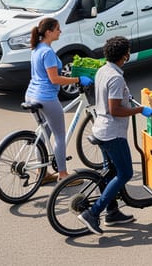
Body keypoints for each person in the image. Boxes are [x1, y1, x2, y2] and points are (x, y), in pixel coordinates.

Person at [78, 36, 152, 235]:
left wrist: (130, 101)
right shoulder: (116, 77)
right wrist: (139, 111)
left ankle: (112, 212)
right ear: (124, 55)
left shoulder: (104, 70)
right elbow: (115, 109)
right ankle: (93, 213)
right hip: (112, 133)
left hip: (101, 129)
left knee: (110, 172)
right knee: (125, 173)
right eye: (127, 51)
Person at [24, 17, 94, 184]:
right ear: (49, 32)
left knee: (44, 132)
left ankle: (42, 173)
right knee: (59, 136)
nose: (60, 31)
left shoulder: (37, 48)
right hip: (46, 97)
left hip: (31, 94)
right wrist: (78, 79)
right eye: (57, 29)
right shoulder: (47, 52)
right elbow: (54, 79)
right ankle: (63, 176)